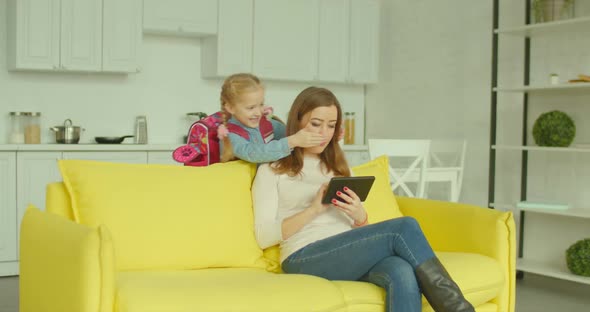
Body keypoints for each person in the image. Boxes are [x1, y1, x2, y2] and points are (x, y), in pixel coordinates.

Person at [252, 86, 474, 312]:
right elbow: (263, 236)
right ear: (297, 122)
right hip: (303, 256)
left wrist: (360, 217)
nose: (324, 133)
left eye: (331, 126)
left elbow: (359, 233)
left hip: (346, 253)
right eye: (316, 124)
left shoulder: (339, 167)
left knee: (400, 269)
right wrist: (313, 210)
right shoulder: (273, 170)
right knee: (404, 226)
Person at [218, 73, 325, 163]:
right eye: (251, 108)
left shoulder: (267, 124)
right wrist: (291, 141)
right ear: (230, 108)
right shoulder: (230, 135)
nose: (258, 112)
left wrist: (324, 135)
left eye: (261, 104)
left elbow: (293, 133)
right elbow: (253, 153)